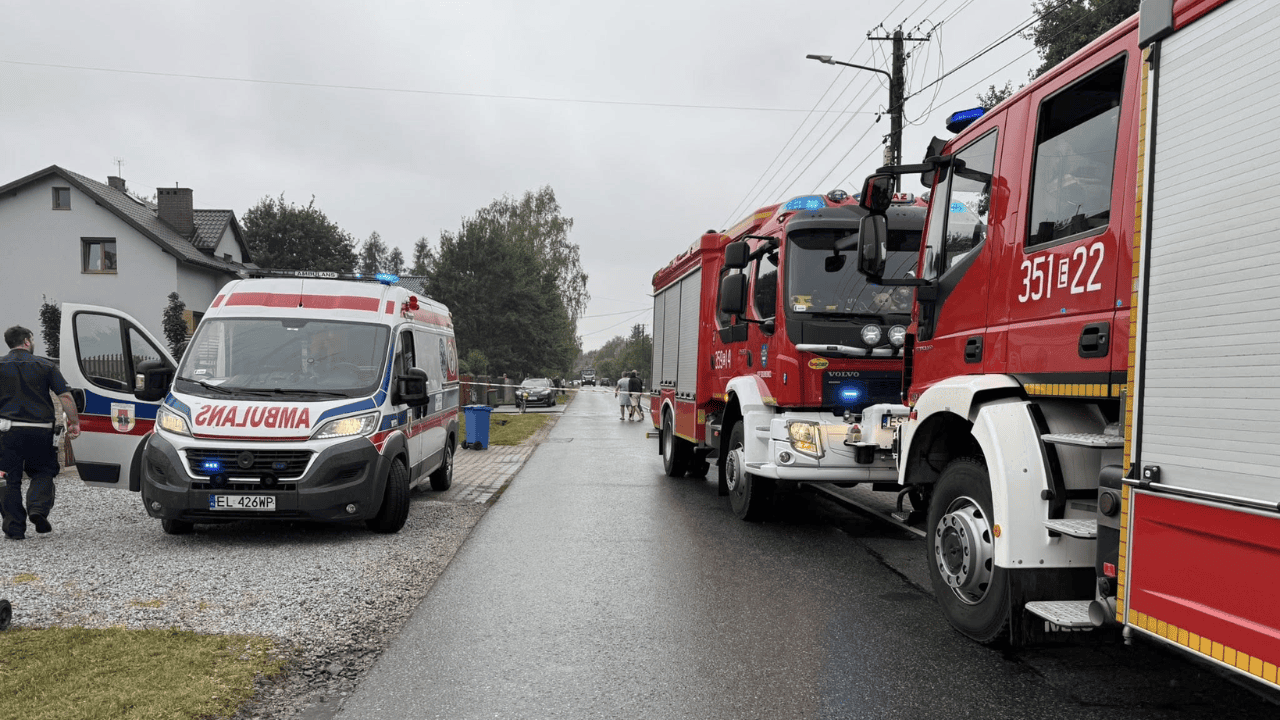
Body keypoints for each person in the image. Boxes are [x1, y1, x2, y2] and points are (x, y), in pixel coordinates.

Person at [0, 326, 80, 540]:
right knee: (43, 471)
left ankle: (14, 527)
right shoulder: (45, 365)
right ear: (27, 341)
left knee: (8, 478)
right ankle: (37, 508)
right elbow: (65, 396)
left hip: (7, 431)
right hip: (41, 430)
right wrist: (74, 422)